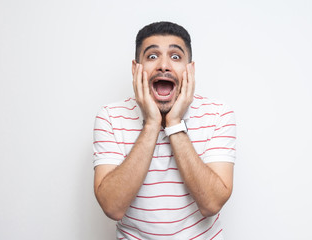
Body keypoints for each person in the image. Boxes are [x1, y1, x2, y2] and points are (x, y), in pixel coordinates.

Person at [93, 21, 236, 239]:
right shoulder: (110, 116)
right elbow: (112, 207)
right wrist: (151, 123)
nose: (163, 65)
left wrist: (174, 123)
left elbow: (211, 204)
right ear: (135, 68)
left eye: (175, 56)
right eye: (152, 56)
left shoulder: (218, 114)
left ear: (190, 69)